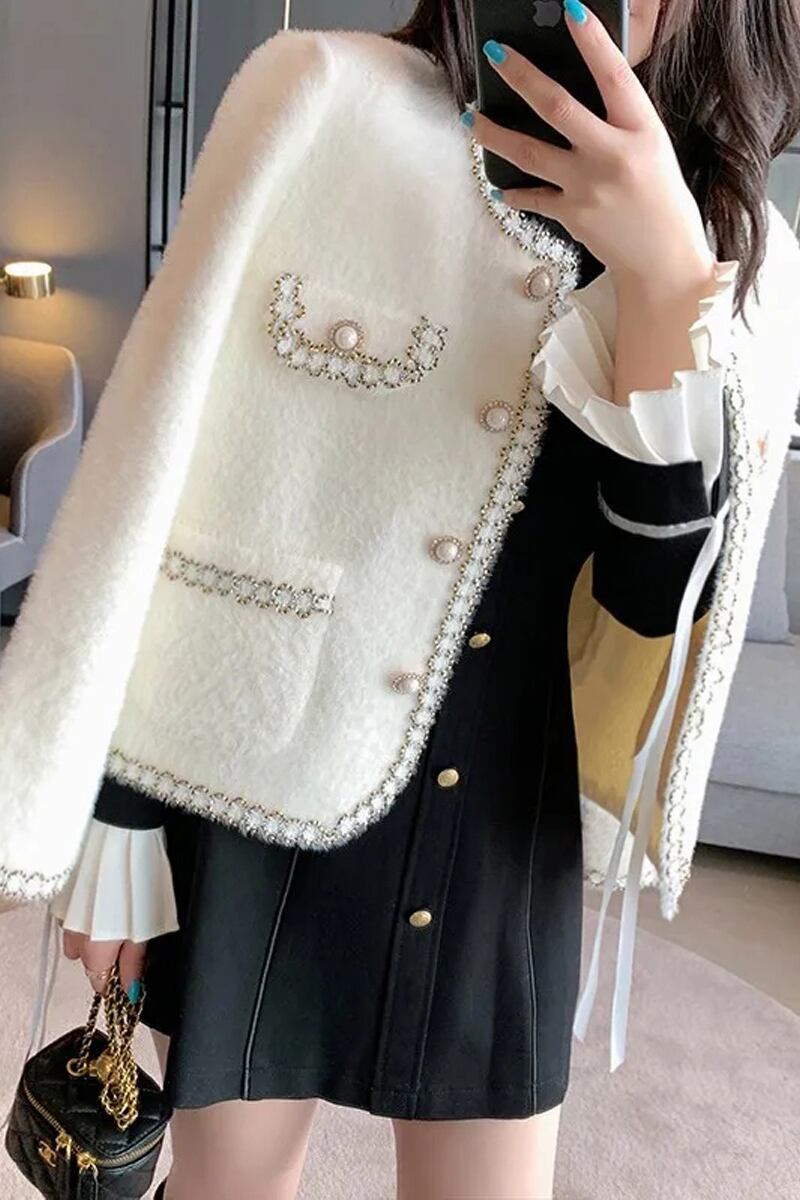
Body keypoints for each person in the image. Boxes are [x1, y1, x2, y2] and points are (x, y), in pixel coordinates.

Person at [1, 1, 799, 1197]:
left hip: (500, 822)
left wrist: (658, 271)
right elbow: (158, 470)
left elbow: (651, 601)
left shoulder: (740, 248)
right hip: (255, 786)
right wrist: (112, 827)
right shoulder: (318, 98)